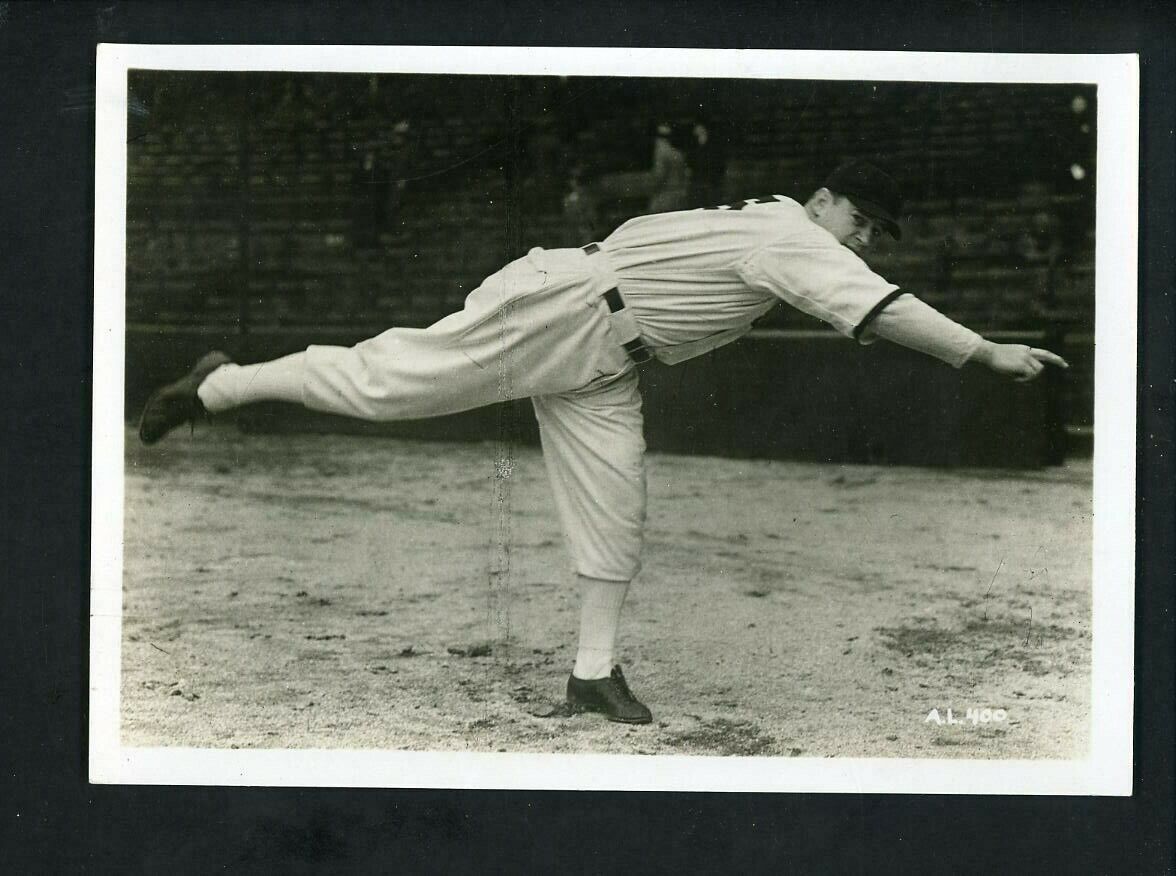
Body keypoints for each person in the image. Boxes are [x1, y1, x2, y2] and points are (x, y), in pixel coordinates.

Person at [137, 159, 1069, 725]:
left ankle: (592, 678)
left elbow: (839, 286)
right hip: (567, 309)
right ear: (824, 202)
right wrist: (980, 350)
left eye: (876, 230)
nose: (864, 239)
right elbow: (880, 309)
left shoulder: (779, 228)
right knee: (385, 386)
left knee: (617, 509)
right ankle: (219, 383)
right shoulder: (790, 234)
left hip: (608, 351)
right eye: (859, 219)